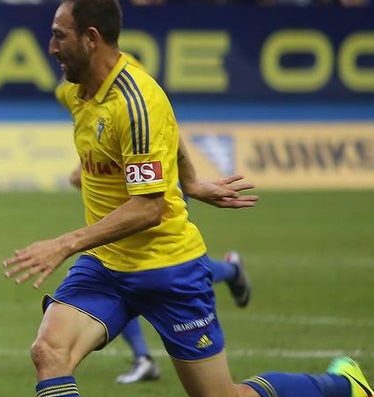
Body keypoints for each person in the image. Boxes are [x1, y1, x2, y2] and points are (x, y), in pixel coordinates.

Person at [3, 0, 372, 397]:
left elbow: (150, 207)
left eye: (58, 34)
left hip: (168, 269)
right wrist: (192, 178)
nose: (50, 44)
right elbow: (166, 134)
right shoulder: (78, 92)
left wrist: (64, 243)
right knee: (48, 351)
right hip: (106, 267)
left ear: (91, 37)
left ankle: (340, 387)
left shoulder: (136, 100)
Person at [68, 163, 252, 384]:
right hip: (132, 196)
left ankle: (231, 271)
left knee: (156, 267)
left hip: (155, 192)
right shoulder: (101, 132)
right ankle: (143, 358)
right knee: (124, 270)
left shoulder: (141, 131)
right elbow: (79, 176)